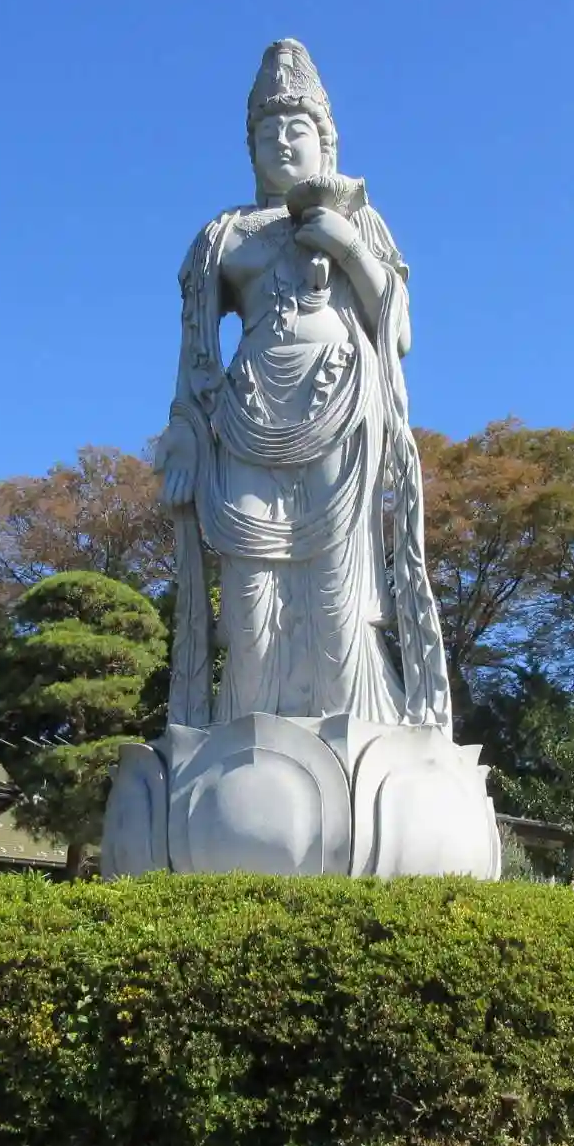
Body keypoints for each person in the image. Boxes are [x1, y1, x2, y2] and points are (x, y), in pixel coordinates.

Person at [155, 40, 451, 730]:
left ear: (326, 142)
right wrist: (183, 433)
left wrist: (345, 244)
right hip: (247, 415)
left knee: (334, 589)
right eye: (268, 132)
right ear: (250, 147)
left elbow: (398, 327)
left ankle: (354, 734)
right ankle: (244, 738)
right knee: (249, 595)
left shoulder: (359, 219)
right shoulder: (224, 235)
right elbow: (195, 353)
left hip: (339, 402)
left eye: (298, 129)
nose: (283, 142)